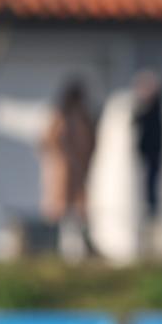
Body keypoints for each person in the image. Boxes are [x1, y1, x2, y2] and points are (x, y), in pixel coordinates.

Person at [40, 79, 97, 258]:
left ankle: (80, 249)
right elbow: (47, 141)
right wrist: (64, 156)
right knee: (62, 210)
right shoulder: (60, 117)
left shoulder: (84, 118)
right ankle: (60, 249)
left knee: (80, 209)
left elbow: (90, 143)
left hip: (78, 171)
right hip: (63, 172)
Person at [133, 70, 162, 222]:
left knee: (151, 182)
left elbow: (142, 121)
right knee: (146, 181)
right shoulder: (150, 106)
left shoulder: (155, 107)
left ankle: (152, 211)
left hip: (153, 151)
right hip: (147, 150)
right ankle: (148, 209)